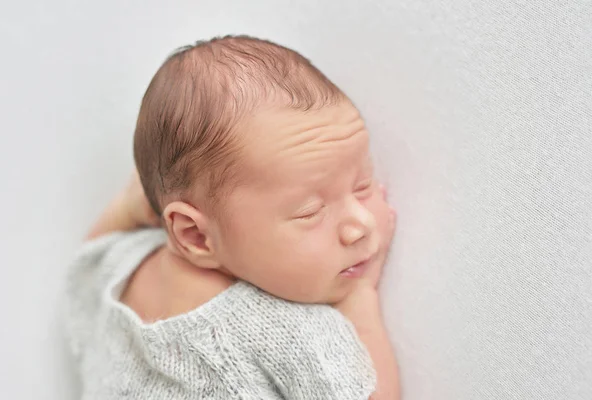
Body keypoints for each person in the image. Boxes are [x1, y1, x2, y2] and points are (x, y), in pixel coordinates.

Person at [65, 35, 400, 399]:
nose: (360, 224)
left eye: (362, 185)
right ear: (194, 235)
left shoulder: (123, 269)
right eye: (310, 211)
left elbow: (90, 257)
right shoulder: (283, 329)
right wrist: (360, 302)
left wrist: (127, 209)